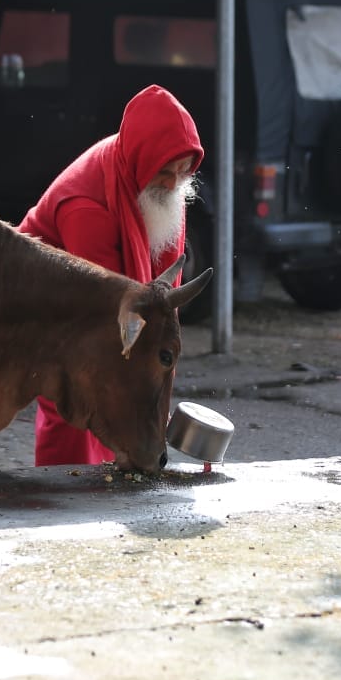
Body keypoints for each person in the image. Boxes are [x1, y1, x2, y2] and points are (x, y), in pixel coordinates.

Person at [18, 84, 204, 466]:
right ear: (141, 162)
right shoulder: (86, 209)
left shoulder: (158, 185)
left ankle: (116, 467)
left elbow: (159, 309)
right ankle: (59, 492)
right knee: (70, 400)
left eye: (184, 171)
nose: (174, 183)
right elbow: (105, 319)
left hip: (92, 296)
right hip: (49, 305)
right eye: (165, 172)